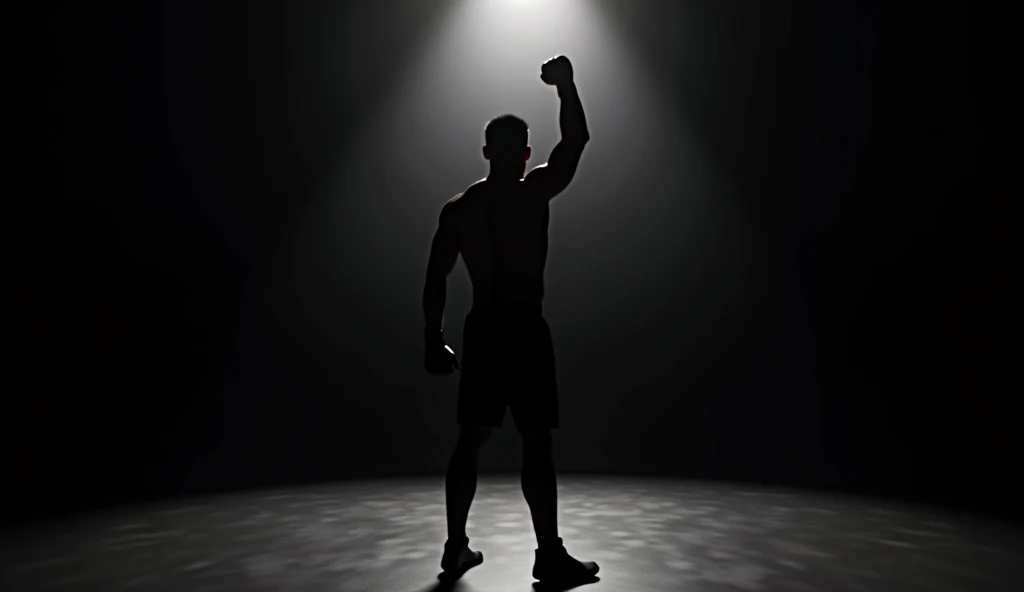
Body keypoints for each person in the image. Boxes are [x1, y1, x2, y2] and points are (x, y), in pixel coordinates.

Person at [421, 55, 598, 586]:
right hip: (523, 329)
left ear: (485, 152)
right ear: (523, 154)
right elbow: (575, 143)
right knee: (535, 441)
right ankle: (547, 555)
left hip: (485, 330)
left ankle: (457, 550)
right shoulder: (533, 191)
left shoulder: (460, 209)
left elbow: (436, 278)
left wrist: (434, 339)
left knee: (470, 440)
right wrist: (566, 88)